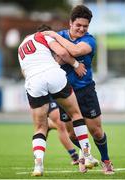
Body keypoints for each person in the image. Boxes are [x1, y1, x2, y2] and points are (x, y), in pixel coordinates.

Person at [42, 5, 115, 175]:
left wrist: (54, 37)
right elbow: (54, 60)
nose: (82, 29)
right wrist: (71, 62)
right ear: (70, 23)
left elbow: (73, 50)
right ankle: (86, 152)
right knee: (72, 134)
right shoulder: (60, 36)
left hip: (85, 91)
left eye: (85, 26)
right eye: (78, 25)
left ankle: (105, 160)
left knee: (96, 132)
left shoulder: (89, 40)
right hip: (64, 92)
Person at [18, 24, 91, 176]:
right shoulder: (45, 36)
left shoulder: (21, 46)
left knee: (39, 127)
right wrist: (76, 64)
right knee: (76, 114)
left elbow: (24, 71)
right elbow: (63, 53)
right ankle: (87, 156)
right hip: (52, 74)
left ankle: (38, 165)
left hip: (33, 81)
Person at [47, 99, 79, 165]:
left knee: (69, 128)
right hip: (48, 96)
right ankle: (74, 155)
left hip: (61, 94)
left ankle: (49, 125)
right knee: (60, 124)